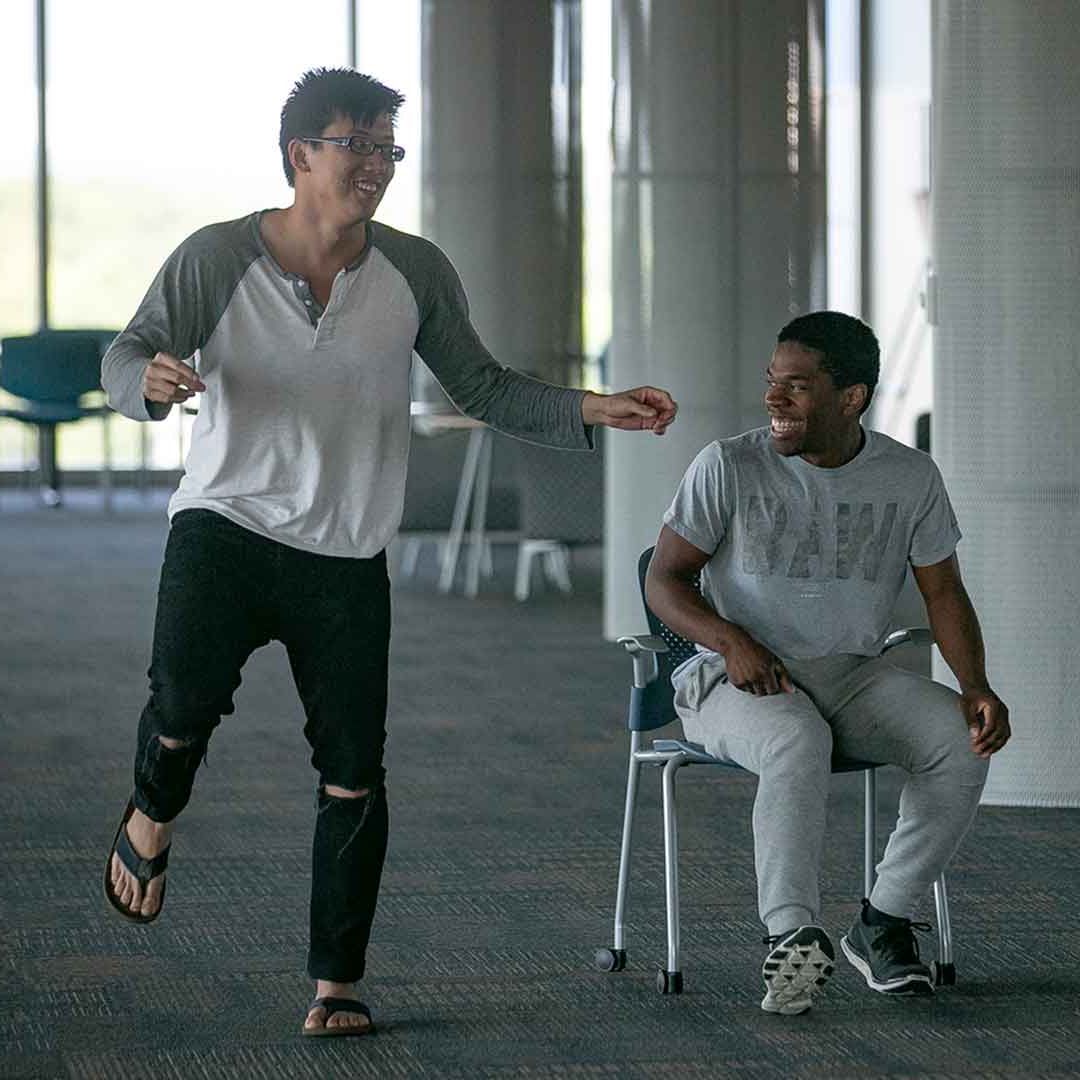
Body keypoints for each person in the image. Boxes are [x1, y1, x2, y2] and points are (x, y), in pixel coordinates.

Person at [98, 68, 677, 1036]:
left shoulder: (414, 270)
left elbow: (484, 387)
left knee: (353, 769)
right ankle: (151, 814)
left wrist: (591, 408)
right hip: (226, 524)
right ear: (299, 155)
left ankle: (336, 984)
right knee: (182, 708)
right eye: (355, 145)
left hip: (347, 552)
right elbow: (131, 349)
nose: (373, 166)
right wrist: (150, 384)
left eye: (386, 149)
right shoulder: (216, 255)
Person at [646, 311, 1010, 1016]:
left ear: (851, 398)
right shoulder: (728, 464)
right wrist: (730, 641)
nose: (774, 400)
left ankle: (883, 920)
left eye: (798, 387)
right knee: (794, 737)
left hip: (849, 674)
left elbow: (943, 591)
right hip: (734, 679)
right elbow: (665, 580)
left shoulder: (907, 476)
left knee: (958, 740)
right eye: (771, 383)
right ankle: (790, 933)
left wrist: (975, 686)